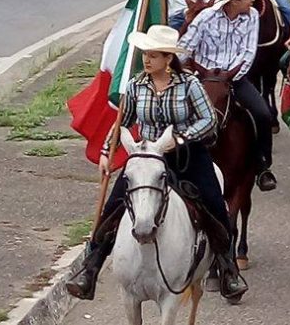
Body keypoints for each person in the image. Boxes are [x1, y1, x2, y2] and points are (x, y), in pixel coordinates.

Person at [65, 25, 248, 302]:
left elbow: (208, 119)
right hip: (147, 157)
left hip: (187, 157)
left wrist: (181, 137)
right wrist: (106, 152)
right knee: (113, 207)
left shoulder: (189, 84)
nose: (146, 60)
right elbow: (121, 124)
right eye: (145, 54)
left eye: (153, 55)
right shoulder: (135, 86)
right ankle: (90, 269)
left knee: (214, 204)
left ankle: (227, 268)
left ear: (167, 59)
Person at [179, 0, 277, 191]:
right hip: (203, 79)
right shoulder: (205, 18)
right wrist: (179, 69)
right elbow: (185, 47)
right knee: (179, 111)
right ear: (234, 1)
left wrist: (229, 77)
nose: (252, 1)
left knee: (262, 114)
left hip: (234, 78)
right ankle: (177, 160)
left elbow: (248, 53)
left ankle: (262, 165)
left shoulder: (251, 16)